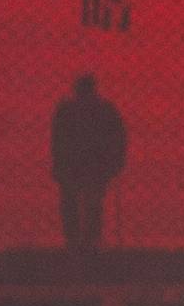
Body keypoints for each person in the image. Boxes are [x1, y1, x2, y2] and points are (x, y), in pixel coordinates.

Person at [51, 73, 127, 254]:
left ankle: (81, 240)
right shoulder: (104, 110)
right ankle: (84, 240)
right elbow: (119, 137)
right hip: (87, 165)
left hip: (83, 165)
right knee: (86, 203)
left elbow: (57, 140)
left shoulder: (68, 110)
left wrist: (116, 162)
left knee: (82, 202)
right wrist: (116, 162)